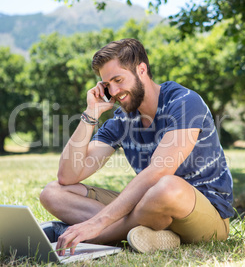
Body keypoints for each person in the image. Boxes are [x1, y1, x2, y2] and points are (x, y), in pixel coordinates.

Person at [39, 38, 234, 255]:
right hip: (148, 207)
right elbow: (68, 175)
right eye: (107, 85)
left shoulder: (184, 101)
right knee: (52, 193)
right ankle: (150, 233)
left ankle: (96, 235)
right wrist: (91, 113)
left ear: (141, 69)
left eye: (118, 79)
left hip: (203, 213)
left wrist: (97, 223)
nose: (113, 91)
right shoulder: (122, 119)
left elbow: (159, 170)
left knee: (166, 187)